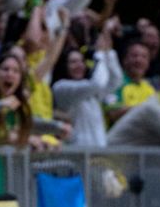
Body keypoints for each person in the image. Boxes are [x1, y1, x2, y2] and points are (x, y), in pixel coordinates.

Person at [51, 18, 120, 146]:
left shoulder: (90, 89)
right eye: (73, 62)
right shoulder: (61, 87)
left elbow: (116, 80)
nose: (79, 65)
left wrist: (108, 51)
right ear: (64, 66)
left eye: (81, 61)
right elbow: (97, 83)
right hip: (77, 155)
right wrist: (99, 54)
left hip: (98, 156)